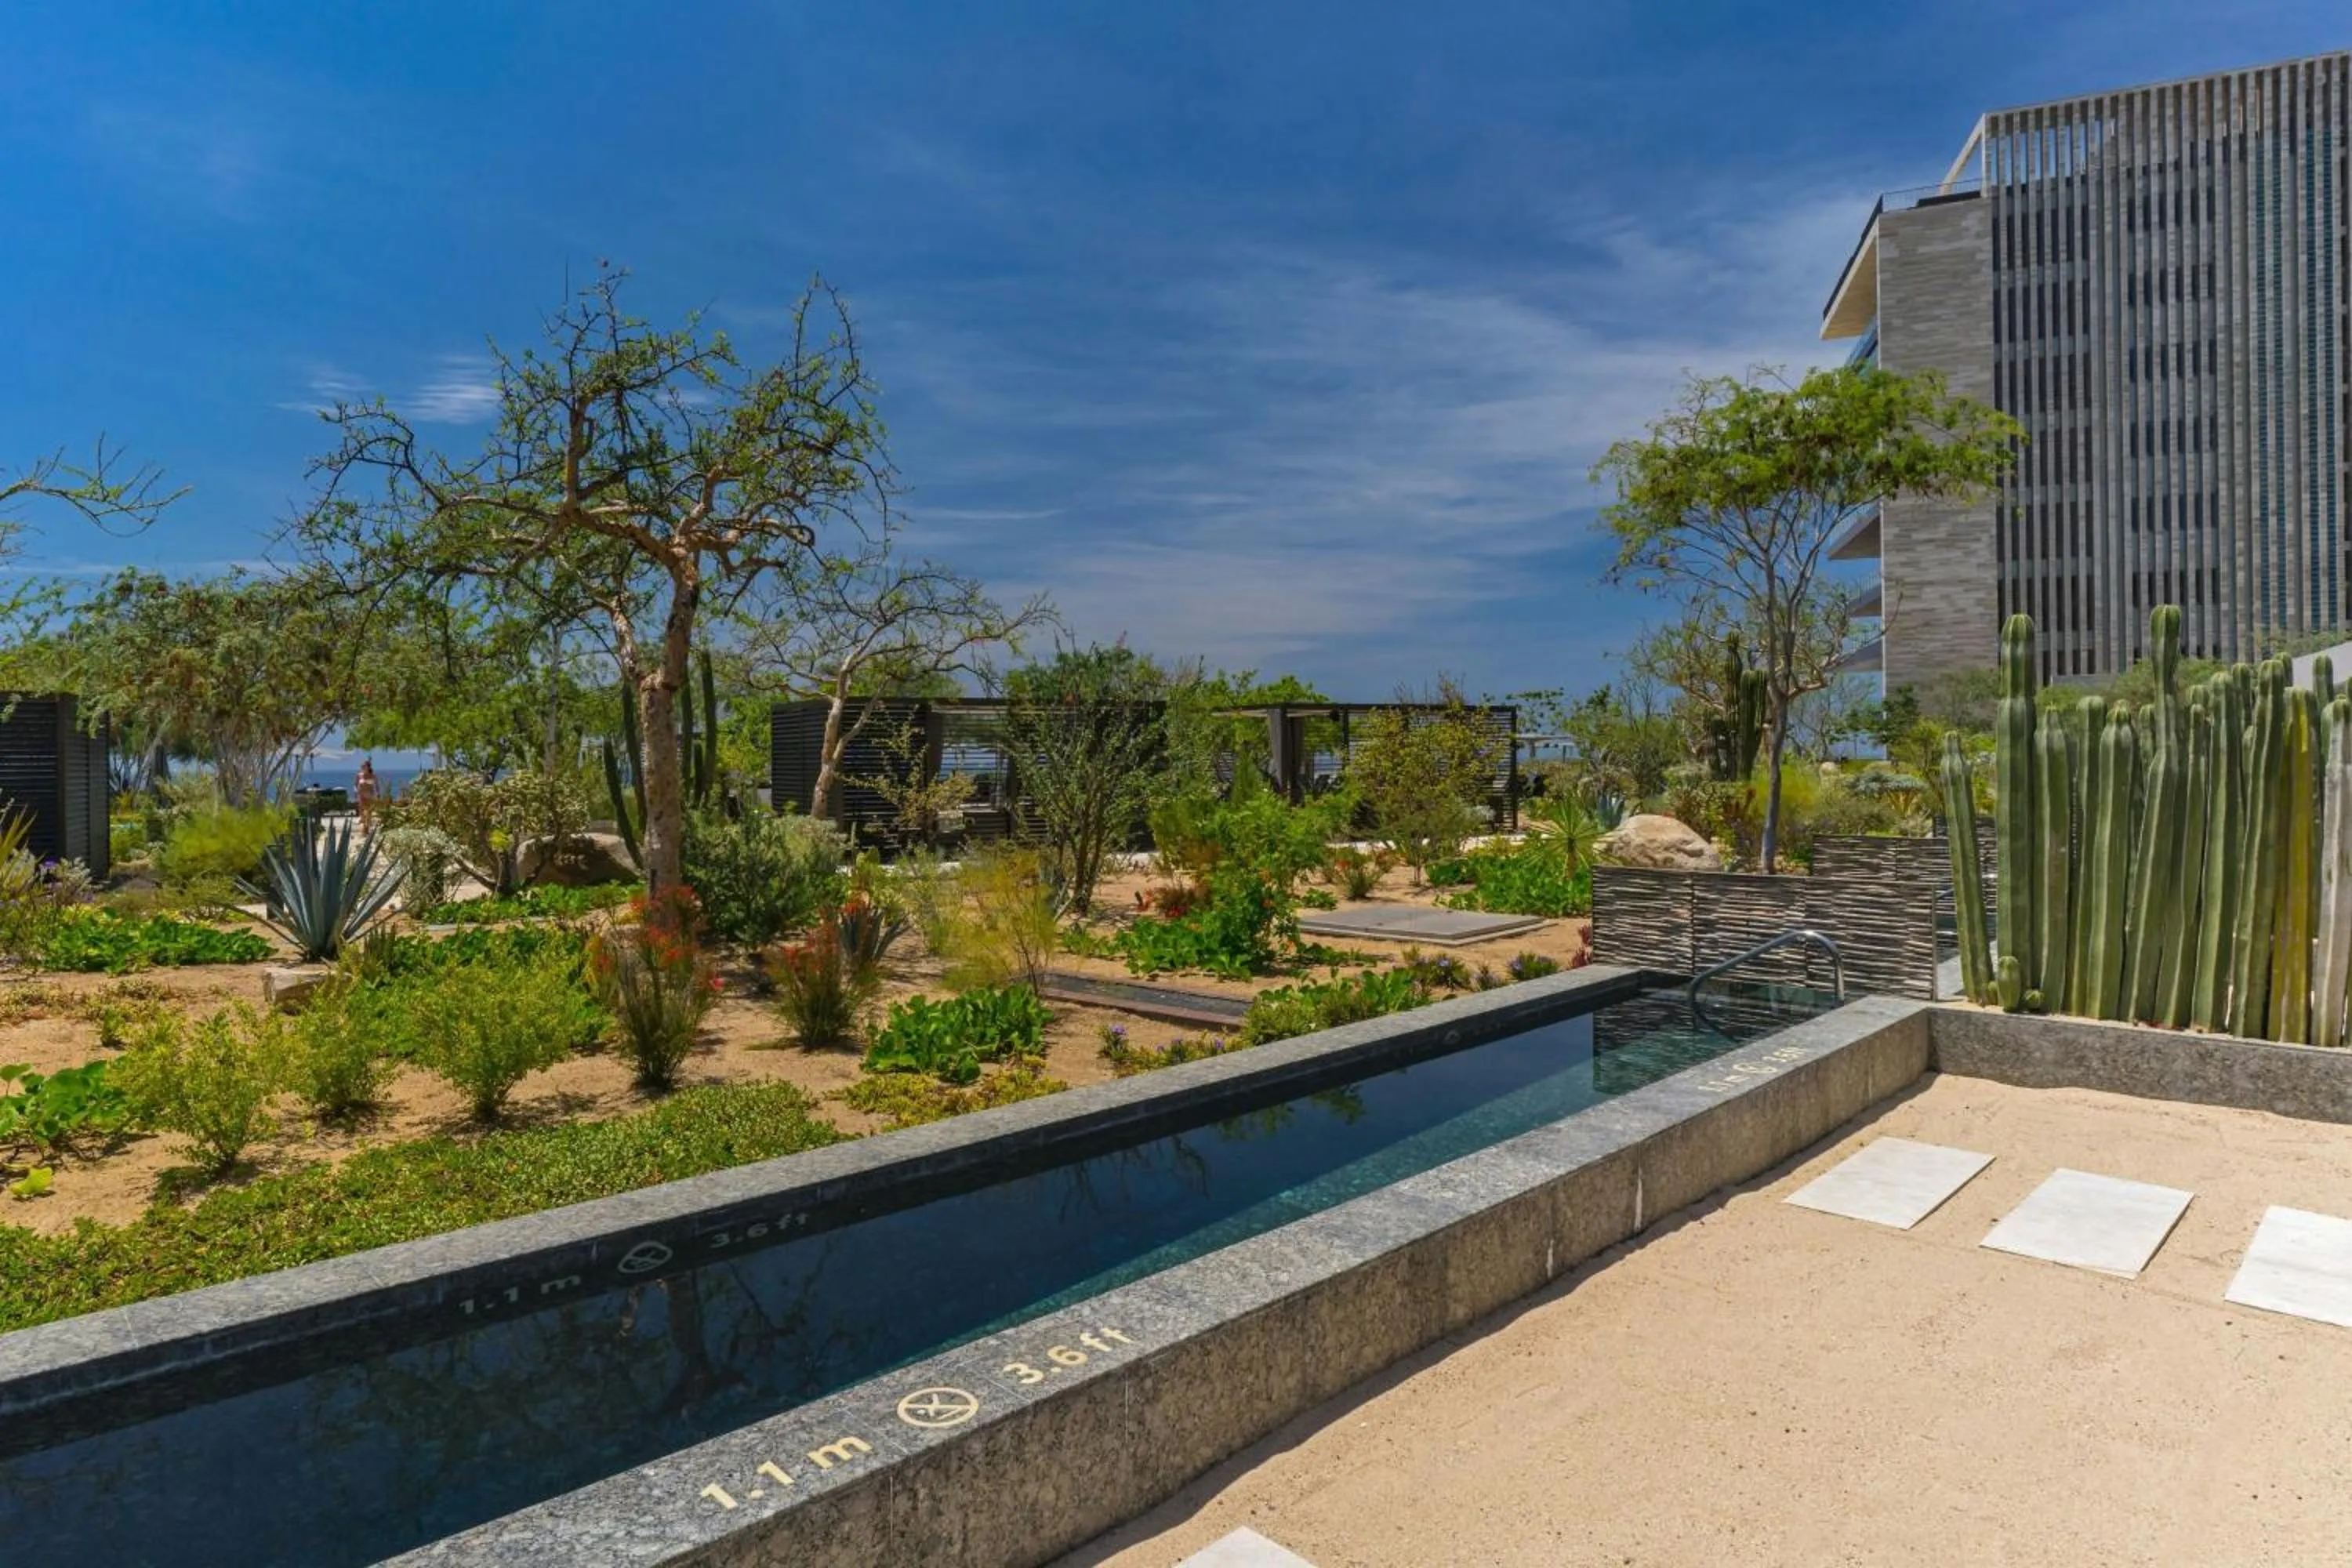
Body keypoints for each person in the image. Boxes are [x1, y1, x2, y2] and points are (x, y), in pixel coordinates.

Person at [354, 758, 380, 827]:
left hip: (370, 795)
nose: (362, 768)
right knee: (361, 809)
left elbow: (377, 785)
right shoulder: (359, 775)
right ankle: (363, 822)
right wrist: (356, 791)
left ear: (368, 767)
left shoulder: (373, 775)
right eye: (362, 766)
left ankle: (368, 823)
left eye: (364, 766)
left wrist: (378, 793)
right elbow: (355, 785)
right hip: (361, 795)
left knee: (369, 810)